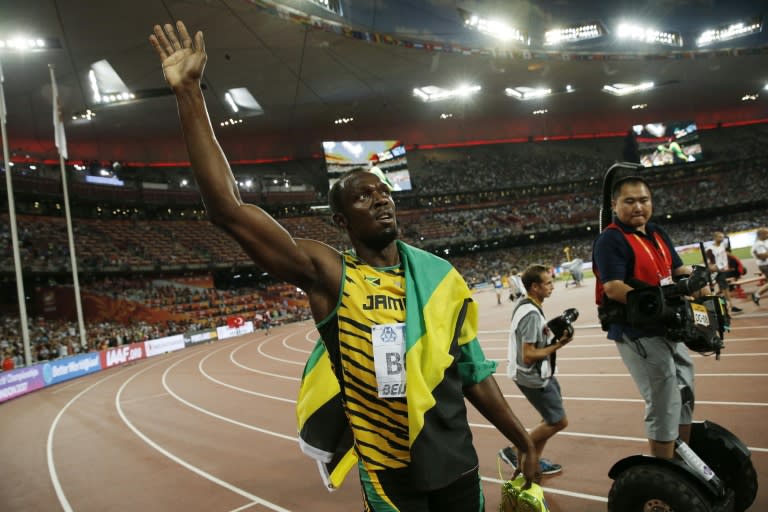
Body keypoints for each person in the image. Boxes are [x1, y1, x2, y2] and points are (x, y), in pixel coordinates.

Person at [149, 20, 538, 511]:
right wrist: (189, 94)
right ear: (340, 219)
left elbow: (472, 370)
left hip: (458, 464)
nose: (381, 199)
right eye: (363, 195)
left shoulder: (440, 279)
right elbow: (228, 209)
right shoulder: (330, 276)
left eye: (384, 191)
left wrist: (521, 437)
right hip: (390, 476)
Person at [592, 176, 697, 460]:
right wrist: (659, 304)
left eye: (644, 200)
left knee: (685, 392)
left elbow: (677, 269)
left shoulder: (657, 232)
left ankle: (683, 458)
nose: (638, 206)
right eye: (630, 201)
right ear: (614, 205)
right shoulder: (610, 240)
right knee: (664, 399)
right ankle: (666, 471)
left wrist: (697, 280)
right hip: (638, 331)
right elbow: (613, 287)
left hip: (671, 325)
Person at [499, 264, 572, 477]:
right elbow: (528, 355)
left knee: (548, 419)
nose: (552, 287)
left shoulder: (527, 305)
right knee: (558, 421)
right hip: (534, 377)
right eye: (548, 283)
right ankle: (515, 450)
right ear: (534, 287)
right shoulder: (531, 314)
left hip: (538, 373)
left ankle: (534, 462)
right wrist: (560, 345)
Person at [706, 231, 742, 313]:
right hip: (714, 272)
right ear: (715, 238)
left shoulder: (722, 245)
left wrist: (726, 264)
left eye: (722, 237)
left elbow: (724, 254)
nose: (722, 239)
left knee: (725, 288)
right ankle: (714, 308)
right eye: (720, 237)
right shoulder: (710, 249)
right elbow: (709, 262)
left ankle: (730, 306)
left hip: (721, 270)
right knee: (711, 289)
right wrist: (713, 268)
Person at [752, 227, 768, 306]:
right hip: (765, 265)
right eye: (766, 233)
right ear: (761, 234)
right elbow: (763, 257)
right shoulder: (758, 244)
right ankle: (756, 294)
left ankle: (757, 294)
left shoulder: (765, 242)